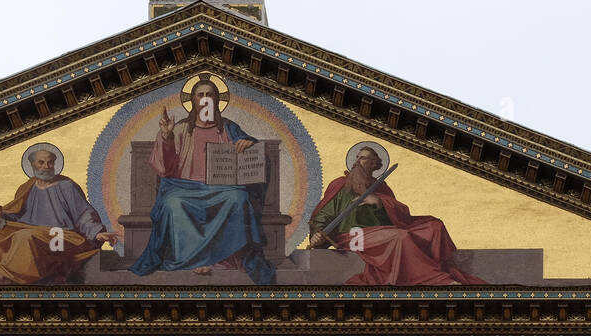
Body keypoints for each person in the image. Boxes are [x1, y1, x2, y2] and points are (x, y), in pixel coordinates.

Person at [128, 76, 276, 284]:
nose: (205, 99)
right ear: (194, 101)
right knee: (172, 203)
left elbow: (253, 147)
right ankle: (192, 260)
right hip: (185, 187)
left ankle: (224, 259)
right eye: (201, 95)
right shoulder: (179, 128)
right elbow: (166, 168)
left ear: (216, 100)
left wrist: (247, 143)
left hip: (221, 188)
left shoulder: (229, 128)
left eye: (210, 95)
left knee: (239, 197)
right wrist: (166, 137)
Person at [309, 145, 486, 286]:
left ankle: (441, 269)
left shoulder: (381, 188)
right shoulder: (341, 185)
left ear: (374, 164)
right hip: (353, 235)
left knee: (434, 227)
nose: (357, 162)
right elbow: (323, 215)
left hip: (381, 232)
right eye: (356, 157)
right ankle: (434, 279)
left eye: (362, 158)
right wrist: (317, 236)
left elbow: (398, 217)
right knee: (400, 236)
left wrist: (379, 203)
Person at [0, 147, 120, 285]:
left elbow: (83, 215)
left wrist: (97, 233)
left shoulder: (66, 186)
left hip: (59, 235)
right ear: (33, 165)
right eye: (41, 163)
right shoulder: (26, 187)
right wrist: (0, 215)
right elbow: (15, 217)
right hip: (29, 230)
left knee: (24, 237)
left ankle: (5, 277)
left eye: (50, 163)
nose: (46, 167)